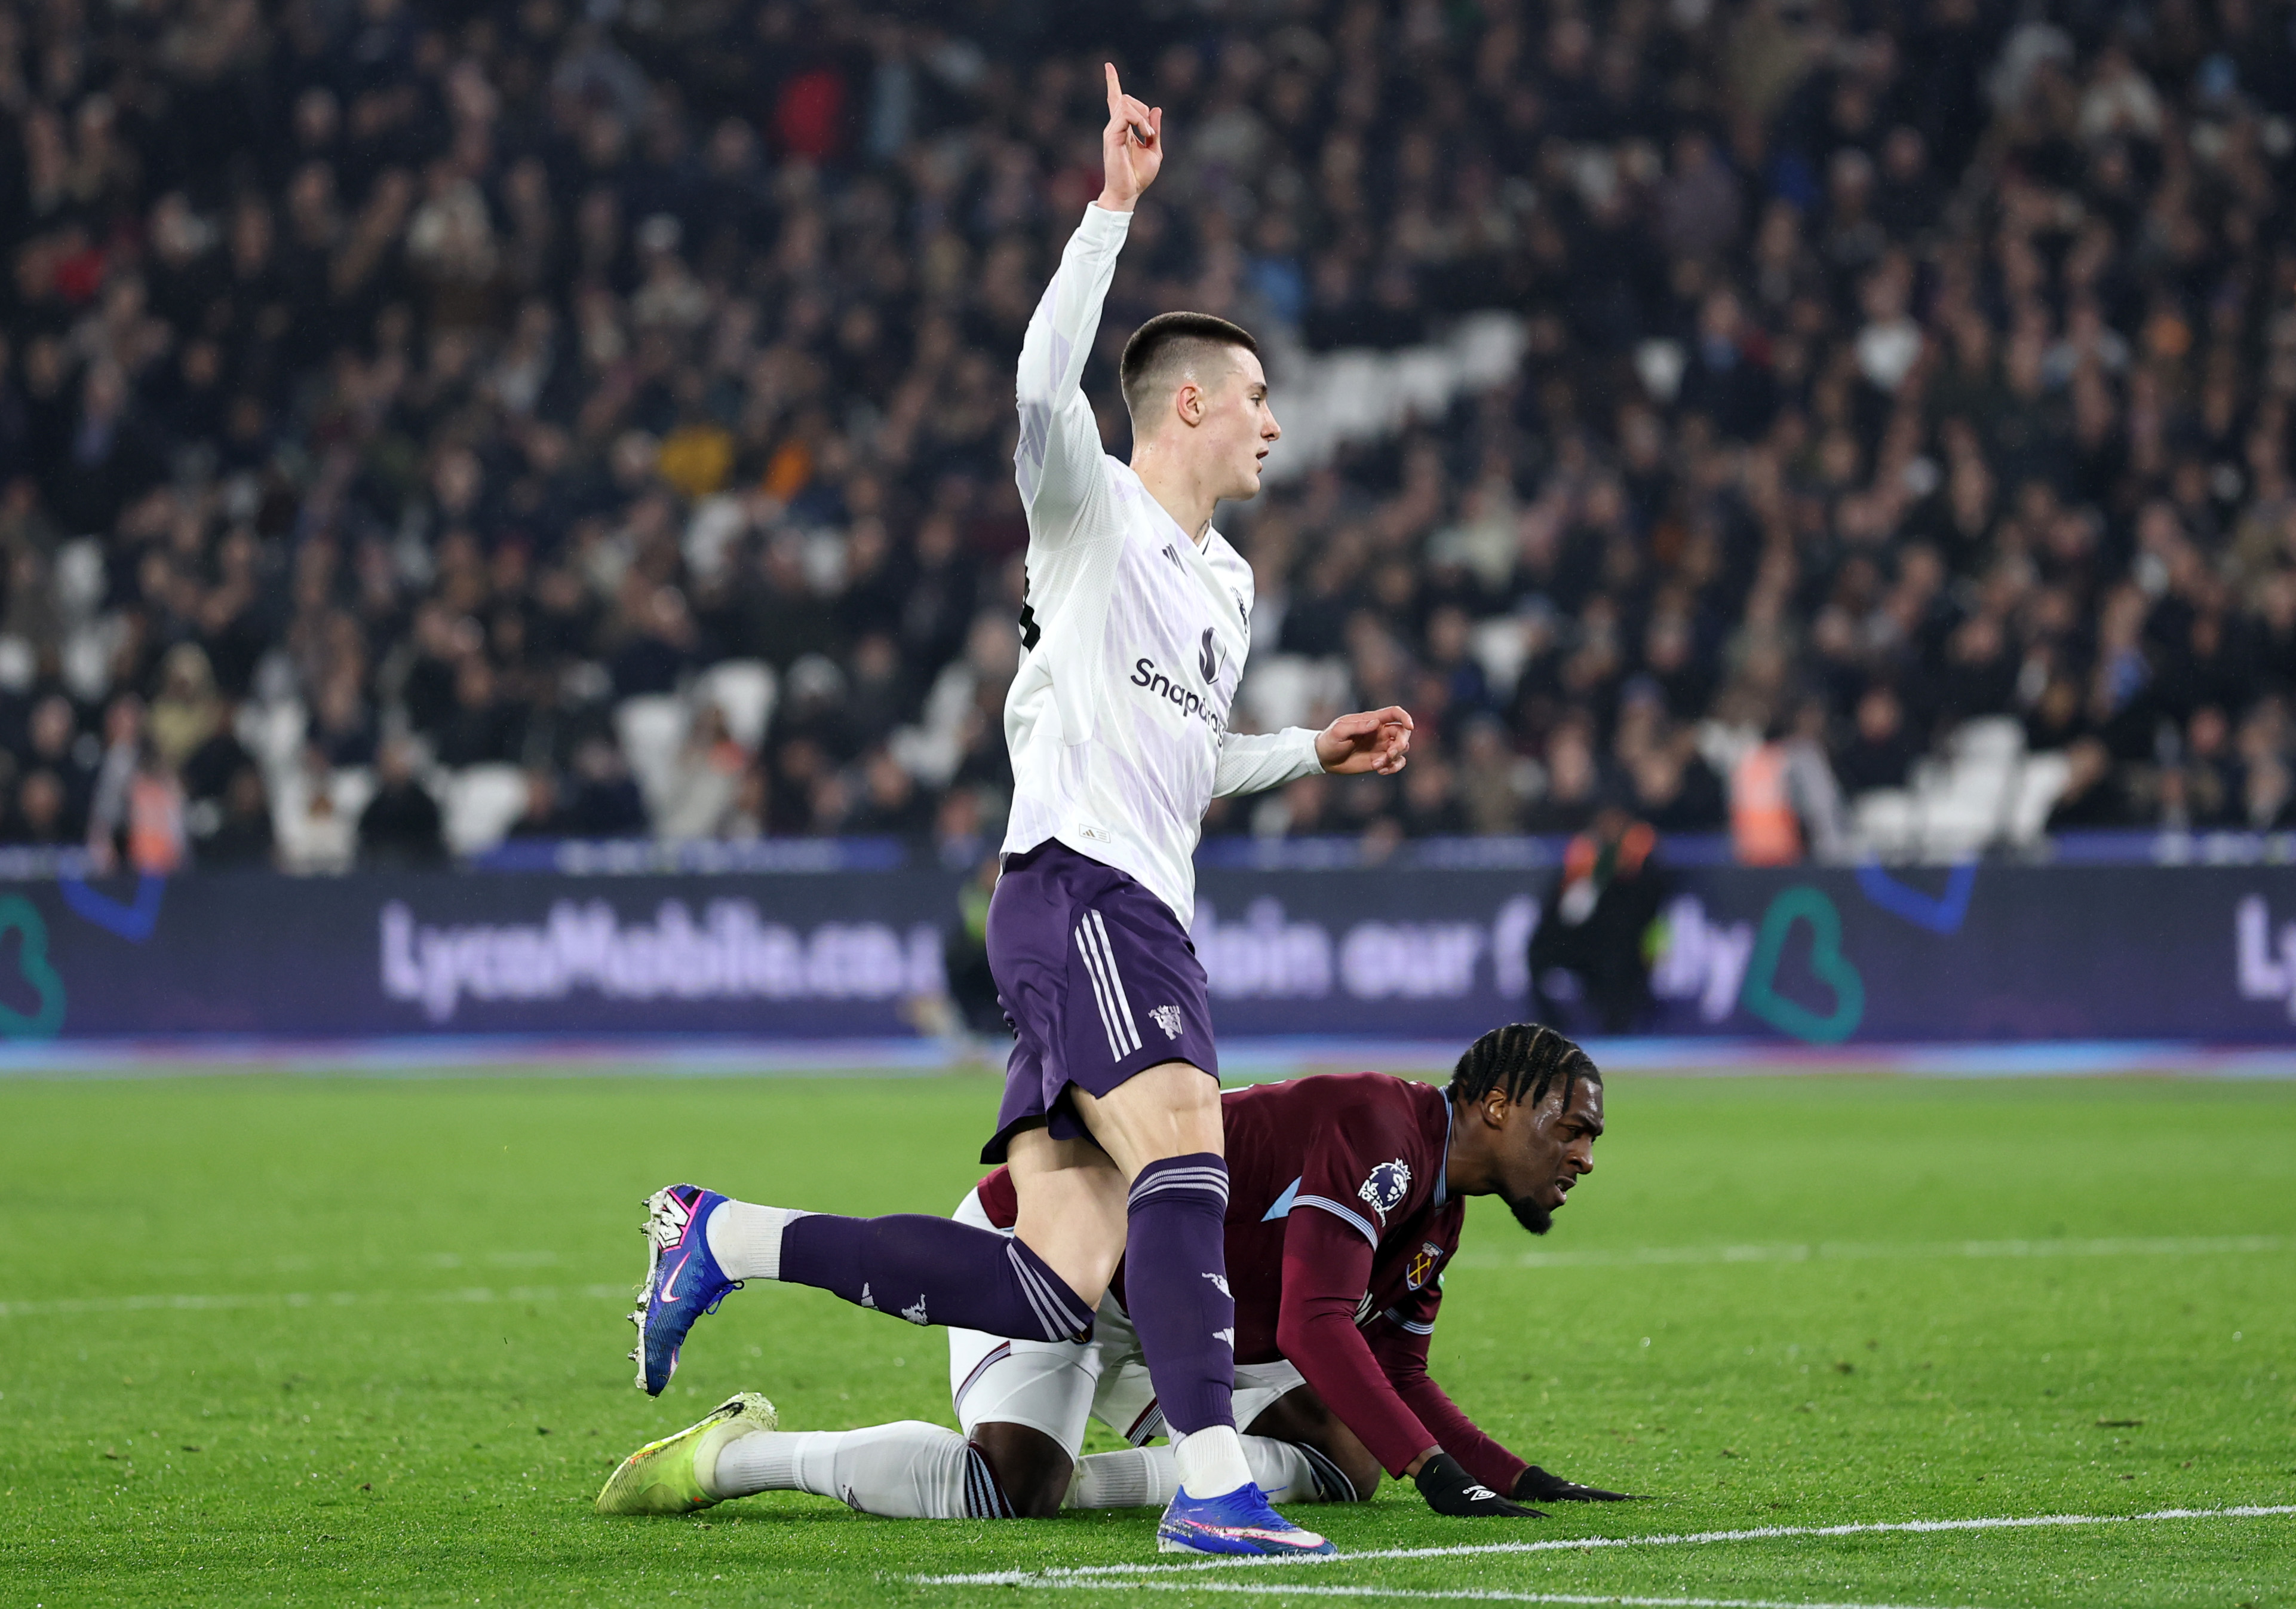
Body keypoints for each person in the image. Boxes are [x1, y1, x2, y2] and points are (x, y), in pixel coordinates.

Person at [622, 65, 1412, 1560]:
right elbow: (1039, 383)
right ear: (1188, 401)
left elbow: (1183, 763)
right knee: (1185, 1154)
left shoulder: (1227, 588)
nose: (1276, 428)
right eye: (1258, 400)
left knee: (1056, 1280)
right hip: (1084, 896)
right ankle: (1215, 1490)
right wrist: (1109, 211)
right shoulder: (1087, 504)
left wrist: (1306, 750)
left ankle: (716, 1234)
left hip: (1129, 901)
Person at [597, 1026, 1633, 1524]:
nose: (1585, 1153)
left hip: (1170, 1301)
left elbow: (1396, 1375)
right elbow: (1321, 1324)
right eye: (1573, 1125)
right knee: (1009, 1486)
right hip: (1062, 1247)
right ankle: (736, 1458)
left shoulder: (1440, 1209)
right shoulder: (1383, 1133)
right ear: (1497, 1104)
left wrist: (1511, 1472)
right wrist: (1442, 1481)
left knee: (1343, 1455)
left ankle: (1136, 1486)